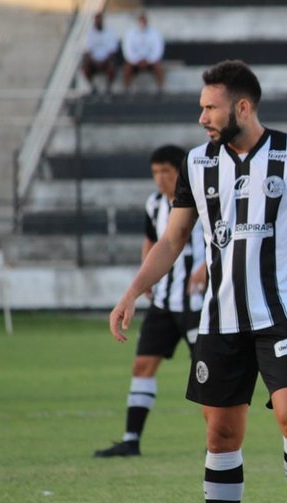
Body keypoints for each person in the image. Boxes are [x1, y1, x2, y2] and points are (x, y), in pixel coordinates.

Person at [109, 60, 287, 503]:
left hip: (281, 314)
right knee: (221, 436)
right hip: (219, 320)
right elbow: (172, 239)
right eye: (201, 108)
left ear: (242, 106)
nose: (202, 118)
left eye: (211, 108)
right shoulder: (196, 164)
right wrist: (132, 291)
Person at [96, 145, 206, 458]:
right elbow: (151, 240)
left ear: (179, 172)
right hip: (163, 303)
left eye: (166, 172)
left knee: (206, 370)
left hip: (197, 304)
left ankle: (216, 440)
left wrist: (206, 268)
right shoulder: (155, 203)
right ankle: (131, 439)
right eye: (155, 172)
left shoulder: (202, 201)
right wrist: (146, 278)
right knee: (142, 364)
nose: (160, 179)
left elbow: (222, 240)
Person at [122, 12, 165, 93]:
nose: (142, 24)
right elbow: (128, 51)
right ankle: (126, 89)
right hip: (135, 61)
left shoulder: (155, 33)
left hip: (150, 61)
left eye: (144, 21)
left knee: (159, 67)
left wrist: (148, 61)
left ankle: (160, 89)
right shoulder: (130, 34)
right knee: (127, 68)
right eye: (141, 21)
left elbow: (158, 50)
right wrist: (137, 61)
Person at [82, 12, 118, 95]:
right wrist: (95, 61)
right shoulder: (89, 33)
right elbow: (87, 51)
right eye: (96, 21)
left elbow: (113, 50)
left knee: (112, 67)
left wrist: (104, 61)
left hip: (106, 60)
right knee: (85, 68)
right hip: (94, 61)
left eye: (99, 20)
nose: (98, 23)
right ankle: (92, 87)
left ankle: (108, 87)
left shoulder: (110, 32)